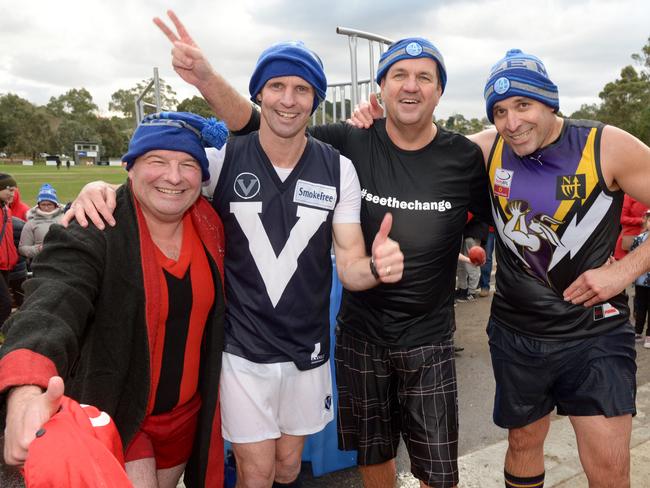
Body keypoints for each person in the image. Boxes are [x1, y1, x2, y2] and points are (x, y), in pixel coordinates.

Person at [65, 11, 489, 488]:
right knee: (256, 470)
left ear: (315, 101)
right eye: (276, 87)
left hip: (311, 349)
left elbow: (349, 264)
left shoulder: (340, 167)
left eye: (301, 90)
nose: (288, 100)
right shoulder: (224, 161)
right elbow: (163, 180)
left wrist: (373, 266)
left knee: (288, 466)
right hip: (243, 351)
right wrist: (102, 186)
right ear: (260, 94)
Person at [349, 47, 650, 488]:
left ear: (550, 102)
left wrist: (622, 271)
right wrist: (373, 125)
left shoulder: (605, 145)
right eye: (501, 112)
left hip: (593, 334)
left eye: (524, 106)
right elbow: (419, 148)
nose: (513, 123)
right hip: (517, 333)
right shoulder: (485, 149)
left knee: (607, 464)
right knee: (523, 443)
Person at [0, 111, 230, 488]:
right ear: (130, 167)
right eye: (157, 161)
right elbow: (54, 300)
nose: (174, 176)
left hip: (187, 417)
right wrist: (26, 387)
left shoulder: (209, 221)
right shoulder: (94, 225)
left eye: (188, 164)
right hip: (122, 413)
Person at [18, 184, 65, 260]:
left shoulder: (65, 219)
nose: (46, 208)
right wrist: (39, 249)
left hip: (63, 261)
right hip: (40, 263)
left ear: (56, 205)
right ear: (38, 205)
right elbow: (22, 249)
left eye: (49, 204)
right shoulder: (31, 223)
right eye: (43, 204)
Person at [455, 213, 488, 302]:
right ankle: (464, 290)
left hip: (473, 234)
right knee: (462, 264)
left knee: (472, 264)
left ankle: (471, 292)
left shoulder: (474, 204)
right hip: (467, 234)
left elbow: (466, 217)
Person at [0, 174, 18, 327]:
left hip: (5, 264)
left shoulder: (6, 209)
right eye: (9, 190)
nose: (13, 194)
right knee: (5, 304)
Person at [631, 210, 650, 349]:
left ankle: (649, 335)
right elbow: (632, 257)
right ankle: (637, 331)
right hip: (641, 281)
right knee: (640, 306)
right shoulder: (639, 238)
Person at [614, 195, 648, 260]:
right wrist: (641, 220)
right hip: (629, 239)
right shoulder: (629, 196)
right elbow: (621, 218)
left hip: (646, 241)